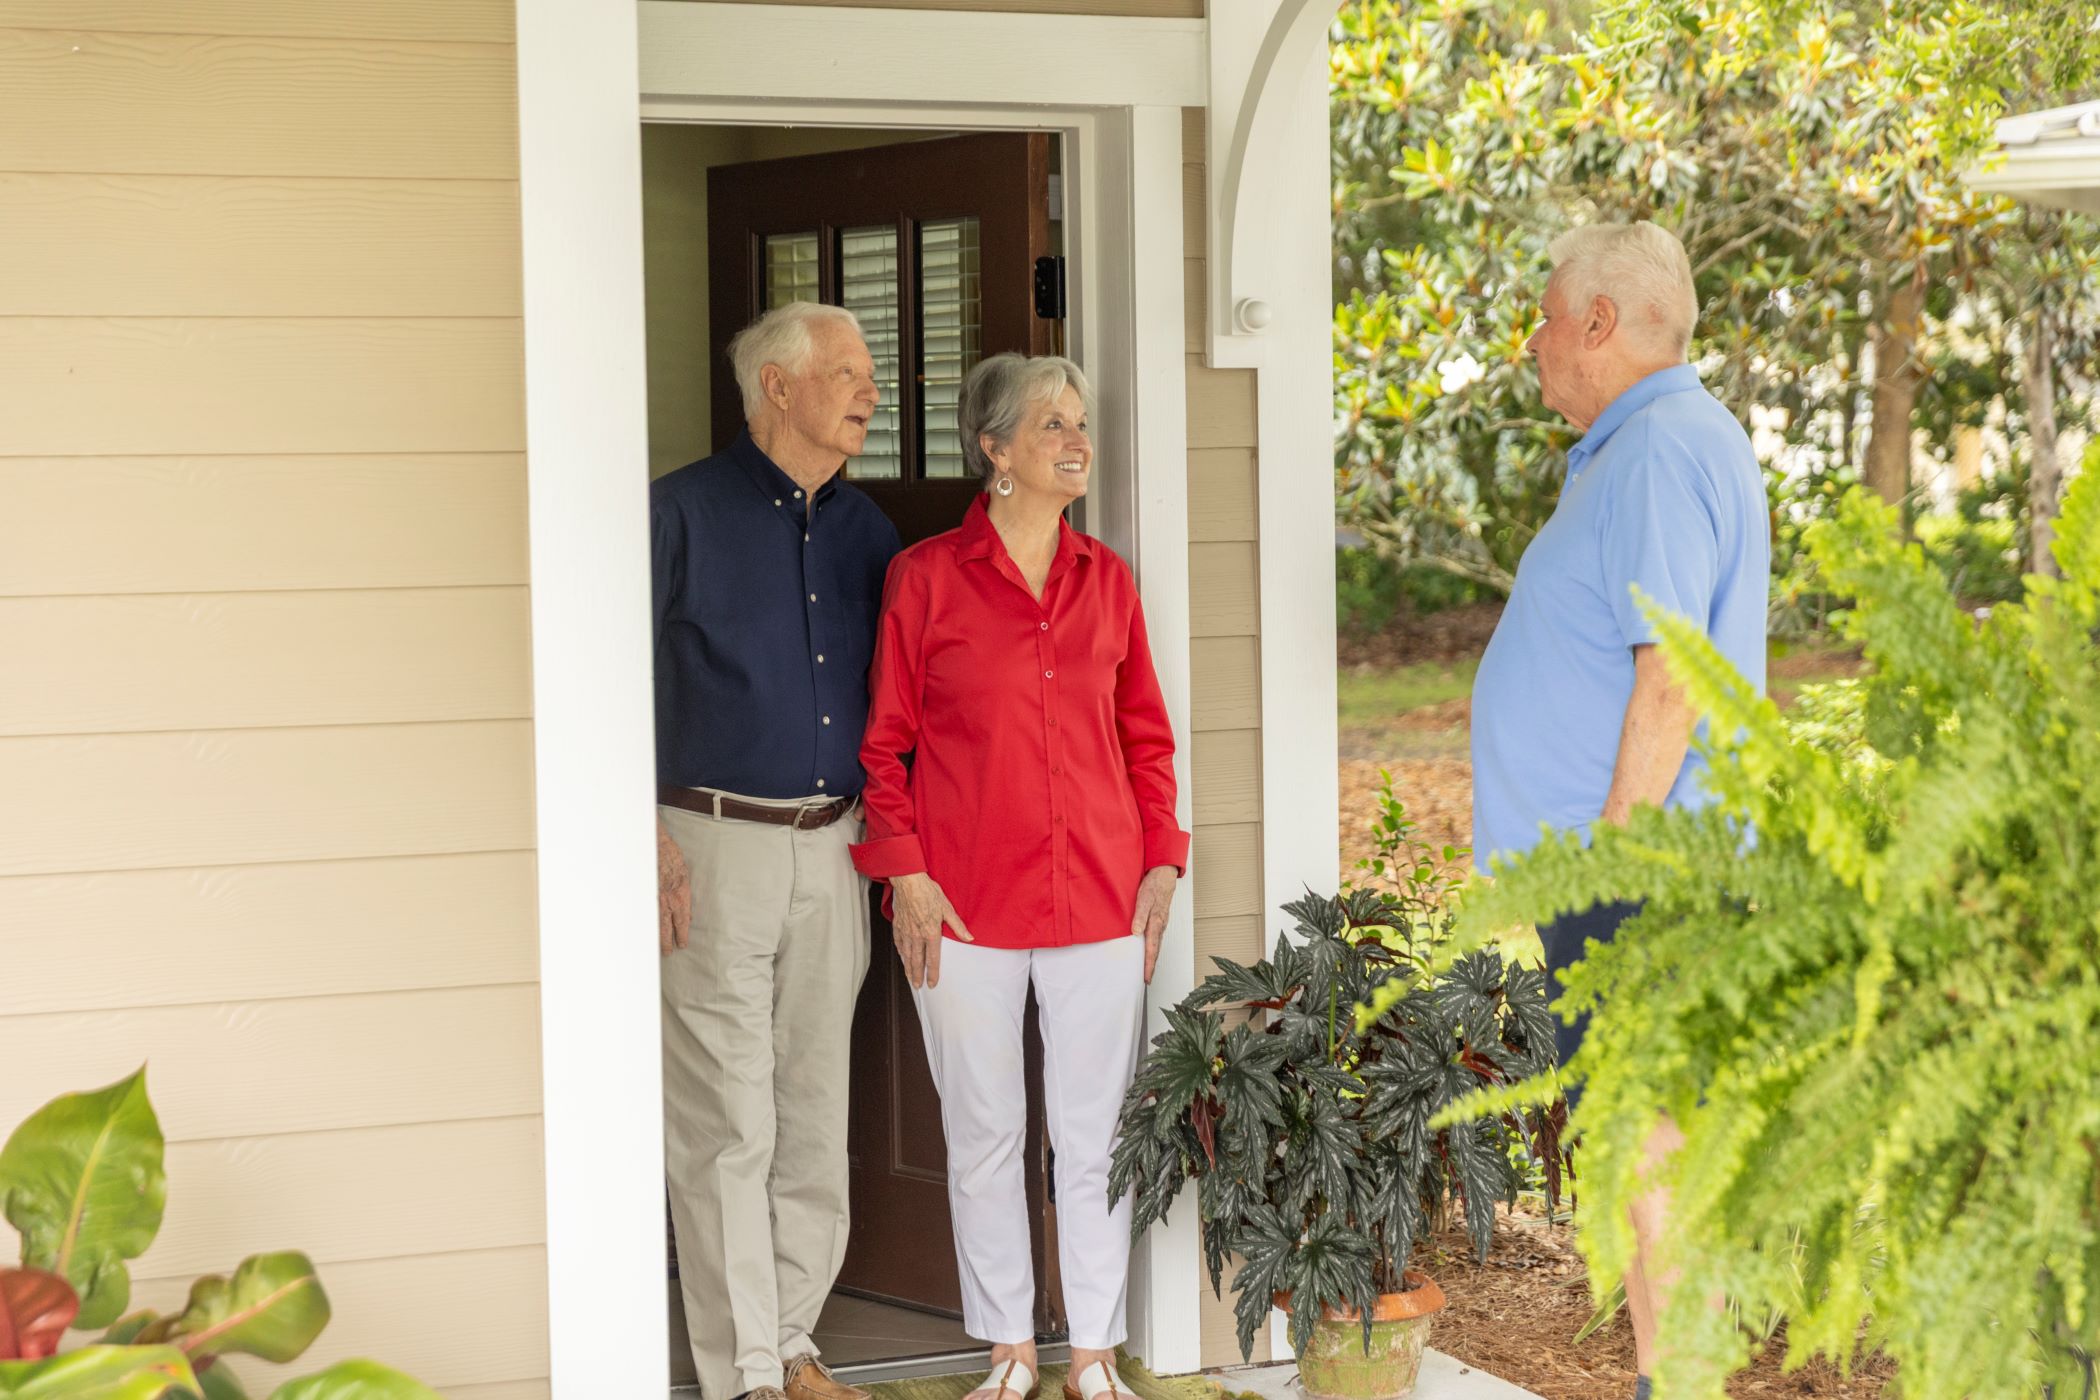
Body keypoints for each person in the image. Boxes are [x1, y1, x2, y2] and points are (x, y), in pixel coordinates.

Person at [1469, 221, 1768, 1400]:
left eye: (1547, 316)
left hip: (1633, 874)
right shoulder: (1648, 442)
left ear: (1599, 322)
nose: (1536, 340)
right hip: (1628, 869)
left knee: (1650, 1139)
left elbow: (1674, 672)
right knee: (1649, 1137)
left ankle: (1678, 1381)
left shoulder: (1654, 453)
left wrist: (1611, 855)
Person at [850, 353, 1188, 1400]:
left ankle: (1091, 1347)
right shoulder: (926, 579)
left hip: (1099, 894)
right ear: (993, 449)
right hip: (961, 905)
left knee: (1092, 1132)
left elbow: (1146, 738)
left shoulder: (1108, 579)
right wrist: (904, 874)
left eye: (1080, 421)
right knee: (984, 1131)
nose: (1075, 439)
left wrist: (1164, 858)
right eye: (1051, 423)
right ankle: (1005, 1343)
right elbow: (884, 747)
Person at [654, 300, 900, 1400]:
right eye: (847, 371)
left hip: (834, 846)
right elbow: (610, 678)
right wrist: (641, 829)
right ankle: (745, 1369)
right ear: (777, 387)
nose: (869, 391)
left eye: (868, 374)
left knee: (813, 1110)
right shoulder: (677, 515)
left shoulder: (869, 536)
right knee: (726, 1121)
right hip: (710, 842)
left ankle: (793, 1343)